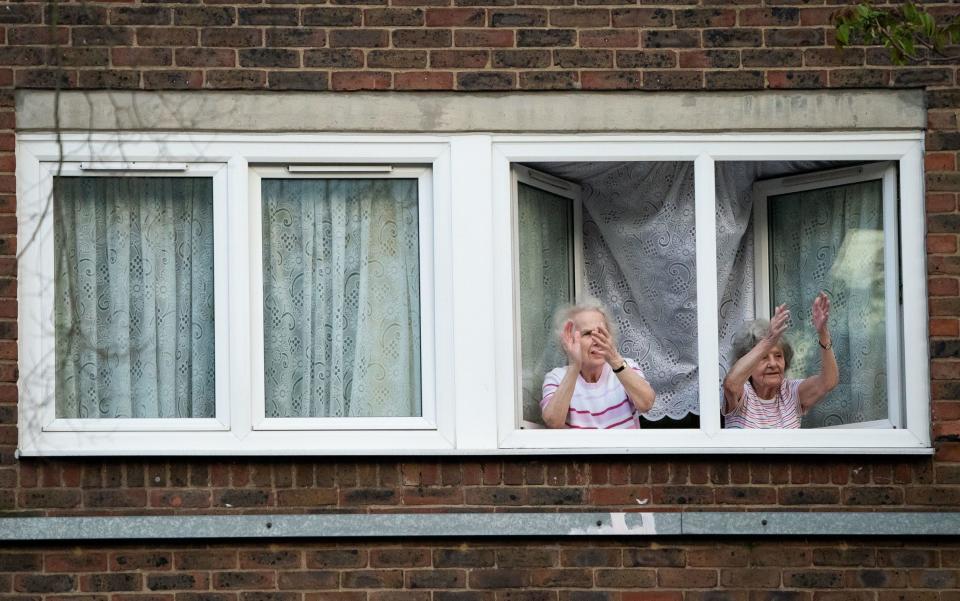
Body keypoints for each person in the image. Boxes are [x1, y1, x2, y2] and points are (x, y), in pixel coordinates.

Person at [722, 292, 839, 429]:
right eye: (763, 357)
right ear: (749, 363)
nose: (773, 364)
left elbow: (828, 382)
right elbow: (730, 384)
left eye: (778, 356)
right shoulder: (744, 394)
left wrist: (823, 332)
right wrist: (768, 341)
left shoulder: (790, 392)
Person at [540, 298, 655, 429]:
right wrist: (574, 366)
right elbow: (553, 422)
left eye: (601, 332)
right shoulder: (557, 378)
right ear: (569, 340)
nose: (597, 340)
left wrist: (615, 359)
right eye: (587, 333)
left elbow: (647, 404)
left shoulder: (625, 367)